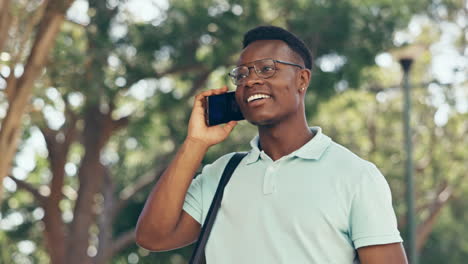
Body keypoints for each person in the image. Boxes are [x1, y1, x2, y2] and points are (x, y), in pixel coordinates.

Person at [136, 25, 408, 264]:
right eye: (241, 75)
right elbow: (152, 237)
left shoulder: (356, 175)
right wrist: (195, 143)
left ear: (302, 80)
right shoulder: (220, 174)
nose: (251, 80)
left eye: (267, 69)